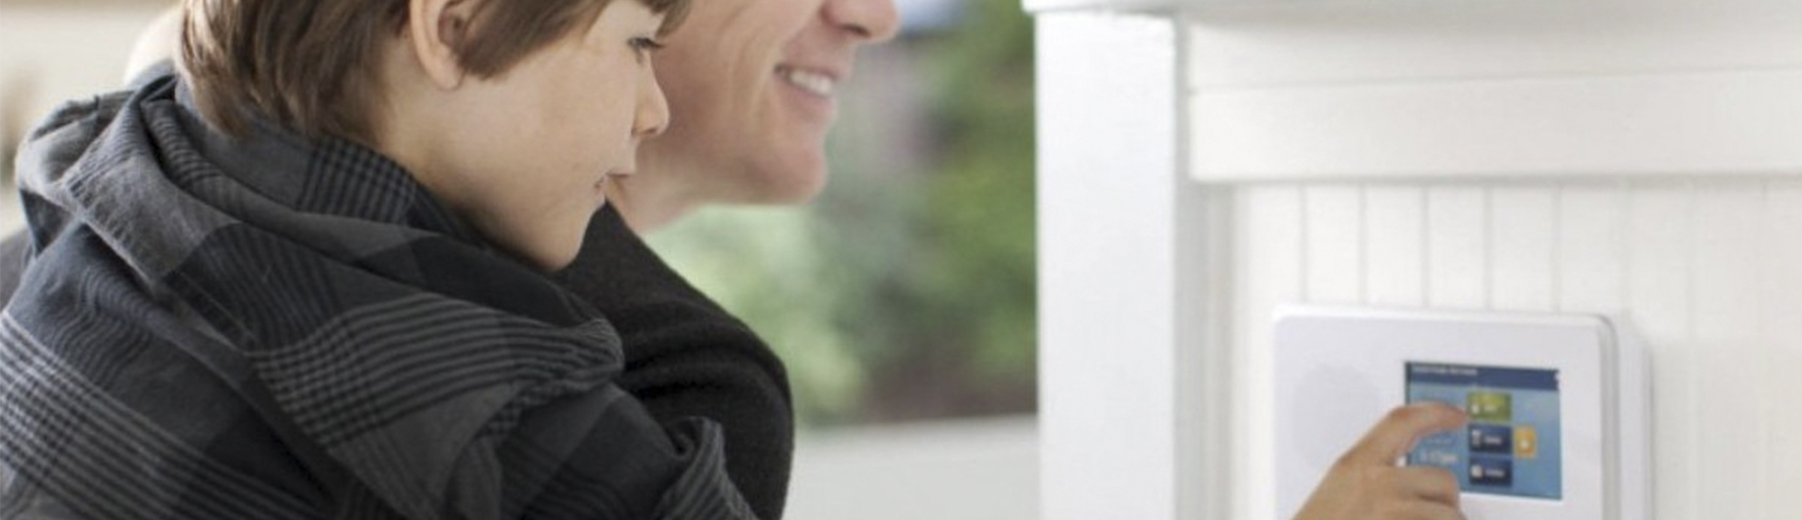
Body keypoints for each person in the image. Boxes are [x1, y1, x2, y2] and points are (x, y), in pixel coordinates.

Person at [1, 2, 1469, 520]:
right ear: (449, 24)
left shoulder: (102, 189)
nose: (879, 16)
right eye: (638, 37)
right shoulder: (487, 398)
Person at [0, 0, 777, 518]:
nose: (654, 112)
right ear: (455, 26)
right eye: (638, 43)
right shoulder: (504, 415)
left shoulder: (79, 212)